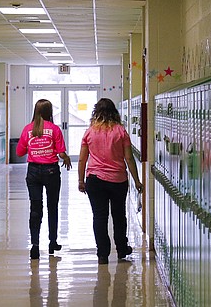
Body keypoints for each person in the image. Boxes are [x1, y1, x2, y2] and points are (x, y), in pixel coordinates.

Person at [78, 98, 143, 264]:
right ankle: (122, 249)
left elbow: (82, 160)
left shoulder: (89, 132)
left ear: (96, 112)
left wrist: (81, 180)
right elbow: (129, 158)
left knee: (99, 217)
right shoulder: (121, 131)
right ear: (114, 112)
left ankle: (102, 254)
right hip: (117, 180)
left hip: (95, 180)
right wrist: (137, 181)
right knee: (119, 215)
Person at [16, 98, 72, 260]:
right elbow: (61, 153)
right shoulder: (54, 129)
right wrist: (66, 158)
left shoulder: (27, 129)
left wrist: (32, 146)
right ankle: (52, 242)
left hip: (33, 171)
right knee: (52, 206)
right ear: (49, 112)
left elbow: (19, 152)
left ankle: (35, 246)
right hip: (51, 171)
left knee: (35, 208)